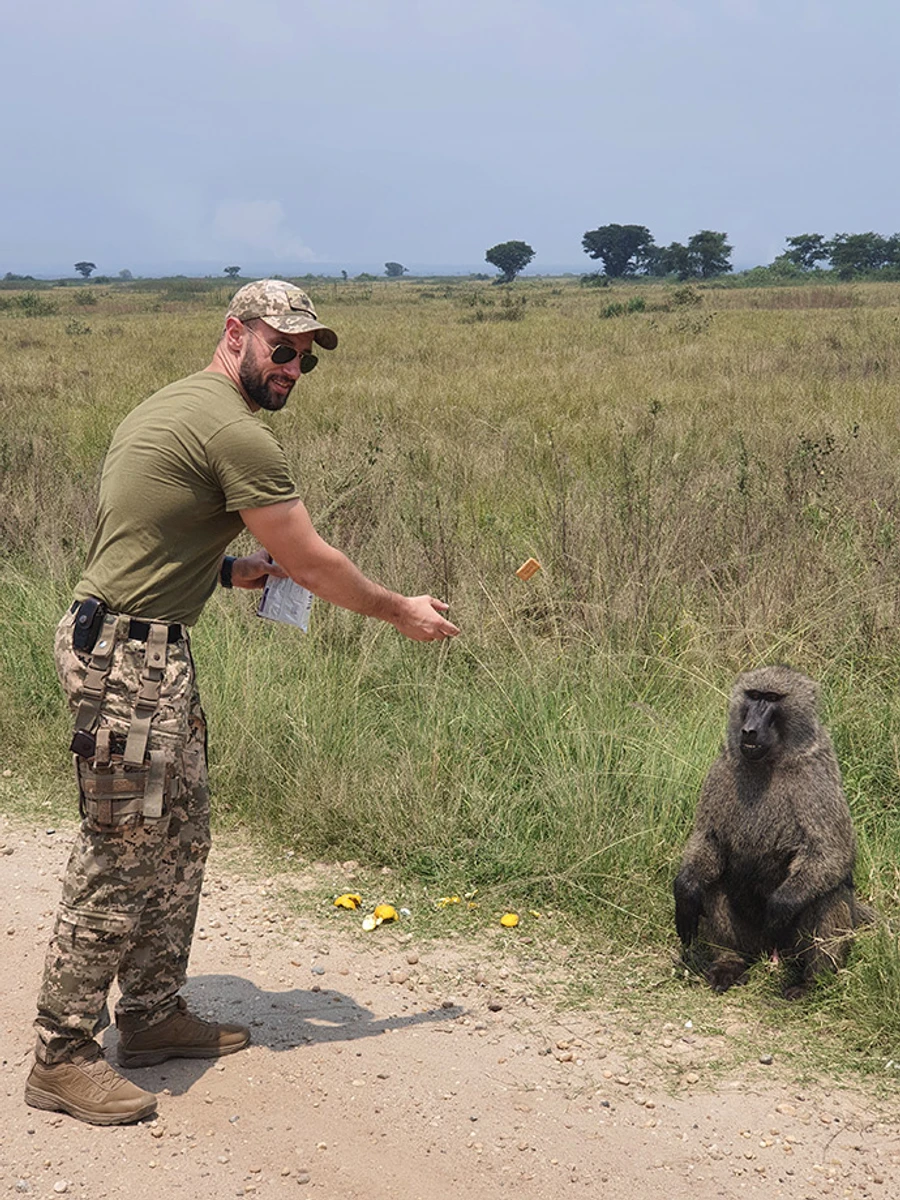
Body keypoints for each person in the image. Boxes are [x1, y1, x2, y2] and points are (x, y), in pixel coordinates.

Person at [25, 279, 460, 1126]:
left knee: (179, 834)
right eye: (280, 348)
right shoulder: (237, 432)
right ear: (236, 333)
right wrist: (398, 610)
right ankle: (61, 1053)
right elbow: (314, 560)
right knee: (122, 849)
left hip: (141, 647)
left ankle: (150, 1015)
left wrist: (229, 571)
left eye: (304, 357)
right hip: (130, 658)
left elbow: (146, 533)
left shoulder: (173, 405)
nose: (292, 367)